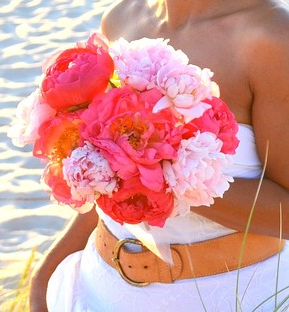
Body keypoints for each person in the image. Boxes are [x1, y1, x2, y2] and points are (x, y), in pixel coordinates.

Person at [29, 0, 289, 311]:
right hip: (98, 288)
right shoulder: (121, 18)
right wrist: (47, 272)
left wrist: (156, 173)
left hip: (231, 296)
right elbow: (107, 188)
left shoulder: (271, 39)